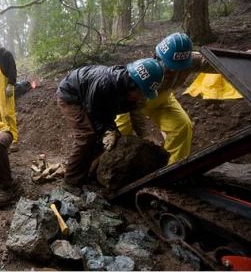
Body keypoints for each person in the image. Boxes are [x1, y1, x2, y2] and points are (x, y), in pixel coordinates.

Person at [56, 58, 164, 194]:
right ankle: (70, 183)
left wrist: (144, 136)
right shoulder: (104, 84)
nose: (143, 97)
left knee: (109, 142)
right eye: (141, 92)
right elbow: (92, 111)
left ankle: (88, 175)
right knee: (87, 136)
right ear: (132, 84)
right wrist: (107, 131)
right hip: (71, 95)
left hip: (95, 102)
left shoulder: (133, 95)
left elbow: (136, 116)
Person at [115, 33, 217, 165]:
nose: (171, 70)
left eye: (176, 67)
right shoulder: (145, 73)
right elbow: (134, 108)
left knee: (182, 126)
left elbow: (213, 61)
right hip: (130, 103)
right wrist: (144, 135)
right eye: (168, 64)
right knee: (122, 133)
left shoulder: (189, 60)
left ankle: (173, 169)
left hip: (163, 98)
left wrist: (244, 56)